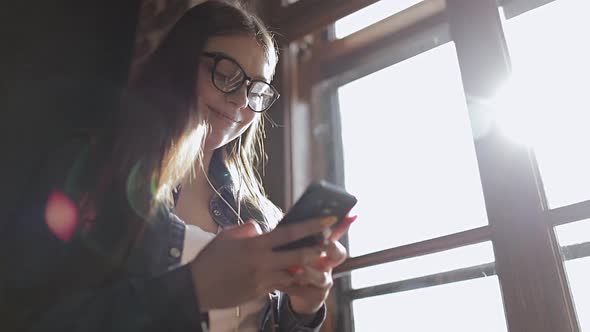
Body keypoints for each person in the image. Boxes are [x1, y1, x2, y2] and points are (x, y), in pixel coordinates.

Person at [0, 1, 350, 331]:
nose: (241, 100)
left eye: (255, 90)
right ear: (180, 63)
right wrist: (192, 289)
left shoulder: (261, 214)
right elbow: (29, 318)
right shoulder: (94, 171)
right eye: (226, 74)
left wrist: (303, 309)